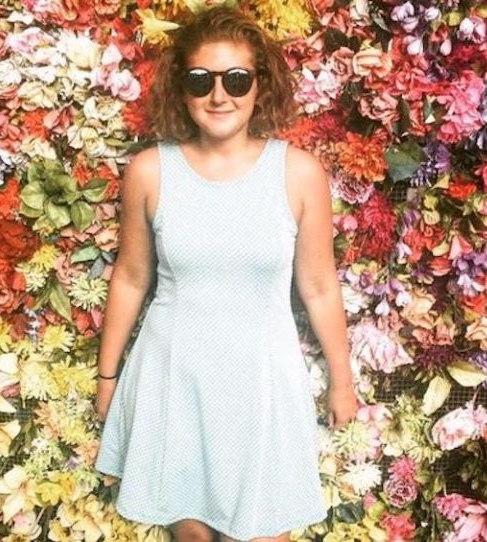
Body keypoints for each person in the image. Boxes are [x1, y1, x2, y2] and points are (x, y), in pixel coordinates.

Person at [93, 6, 358, 542]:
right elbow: (129, 278)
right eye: (201, 80)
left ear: (260, 85)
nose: (220, 96)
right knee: (191, 536)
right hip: (175, 379)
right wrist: (107, 378)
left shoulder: (299, 173)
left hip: (262, 382)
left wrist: (342, 380)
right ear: (181, 87)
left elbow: (319, 287)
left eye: (237, 79)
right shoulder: (150, 171)